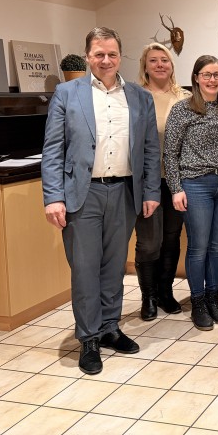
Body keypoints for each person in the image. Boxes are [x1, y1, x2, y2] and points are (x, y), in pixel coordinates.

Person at [42, 27, 161, 375]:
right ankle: (89, 337)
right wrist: (53, 197)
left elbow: (150, 149)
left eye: (112, 54)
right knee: (85, 268)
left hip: (124, 192)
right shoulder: (67, 93)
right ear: (87, 56)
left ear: (120, 56)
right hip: (83, 194)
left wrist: (151, 191)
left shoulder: (139, 96)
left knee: (114, 266)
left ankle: (110, 327)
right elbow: (53, 149)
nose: (106, 60)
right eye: (99, 54)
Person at [165, 55, 218, 331]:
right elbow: (170, 153)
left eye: (216, 75)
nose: (212, 79)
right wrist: (176, 189)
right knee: (199, 246)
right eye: (206, 74)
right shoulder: (182, 109)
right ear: (196, 78)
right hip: (195, 185)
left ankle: (213, 297)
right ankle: (198, 301)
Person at [134, 43, 191, 320]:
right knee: (149, 242)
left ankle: (165, 293)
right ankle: (148, 296)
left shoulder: (185, 98)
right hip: (147, 181)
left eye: (164, 60)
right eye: (153, 60)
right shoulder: (135, 97)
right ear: (145, 66)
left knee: (171, 238)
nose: (159, 65)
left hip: (176, 180)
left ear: (171, 65)